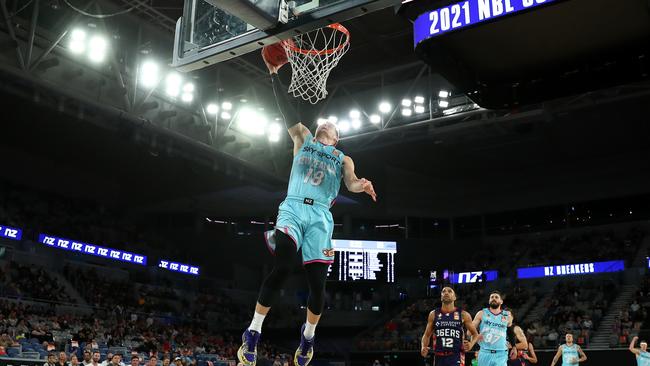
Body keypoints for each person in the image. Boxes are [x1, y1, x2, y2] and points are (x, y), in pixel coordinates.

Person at [237, 46, 377, 366]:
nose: (326, 123)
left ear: (337, 138)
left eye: (332, 125)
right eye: (324, 121)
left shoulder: (344, 158)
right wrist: (273, 74)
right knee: (283, 266)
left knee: (318, 287)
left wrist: (361, 185)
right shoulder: (303, 138)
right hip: (294, 207)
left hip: (320, 218)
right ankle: (253, 332)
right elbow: (286, 109)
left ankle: (308, 337)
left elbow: (351, 183)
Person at [420, 287, 481, 366]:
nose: (446, 293)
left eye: (449, 291)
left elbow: (475, 334)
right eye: (443, 291)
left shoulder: (463, 314)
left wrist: (471, 344)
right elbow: (427, 335)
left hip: (456, 355)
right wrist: (423, 347)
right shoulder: (433, 314)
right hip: (439, 356)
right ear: (441, 297)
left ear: (455, 297)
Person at [472, 291, 515, 366]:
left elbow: (510, 332)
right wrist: (476, 335)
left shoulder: (507, 315)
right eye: (492, 297)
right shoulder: (481, 313)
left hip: (501, 354)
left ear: (501, 301)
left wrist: (514, 346)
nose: (494, 298)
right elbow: (469, 332)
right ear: (489, 301)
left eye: (496, 297)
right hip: (484, 352)